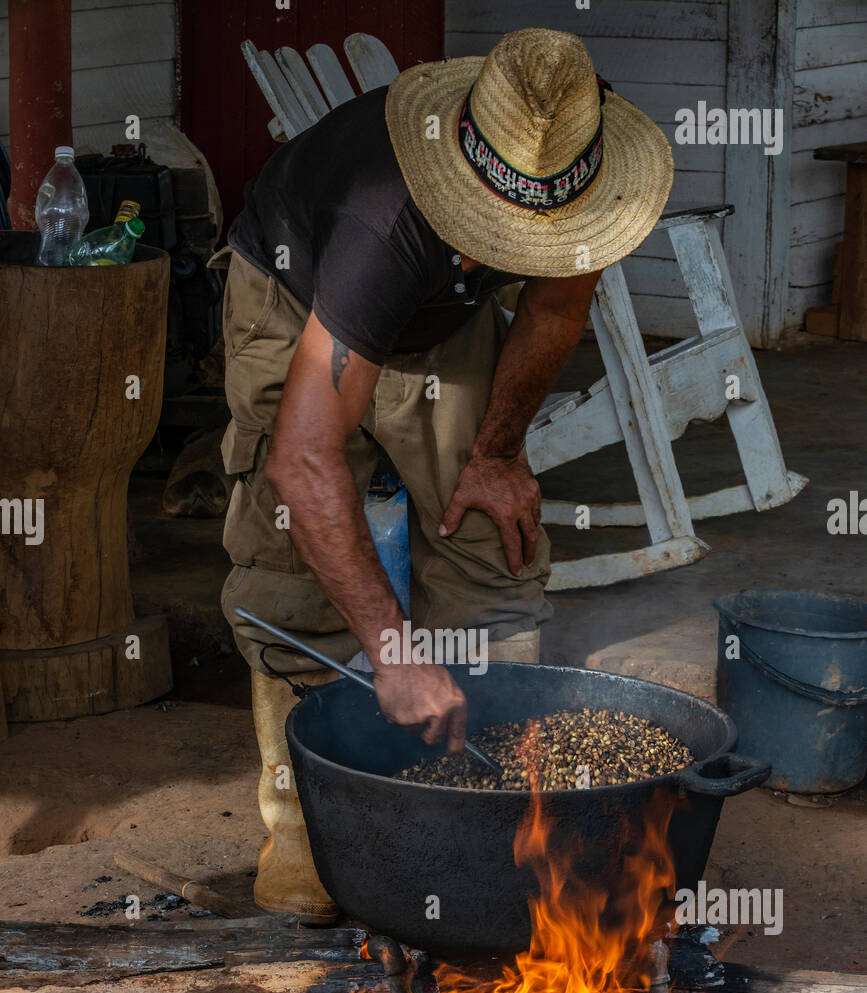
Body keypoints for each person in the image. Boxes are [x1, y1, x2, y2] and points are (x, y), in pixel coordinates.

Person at [217, 27, 673, 920]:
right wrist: (392, 653)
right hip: (297, 294)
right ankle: (300, 830)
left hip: (446, 318)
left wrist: (496, 454)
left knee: (490, 547)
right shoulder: (378, 221)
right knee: (287, 568)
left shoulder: (586, 158)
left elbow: (549, 312)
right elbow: (304, 461)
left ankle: (493, 813)